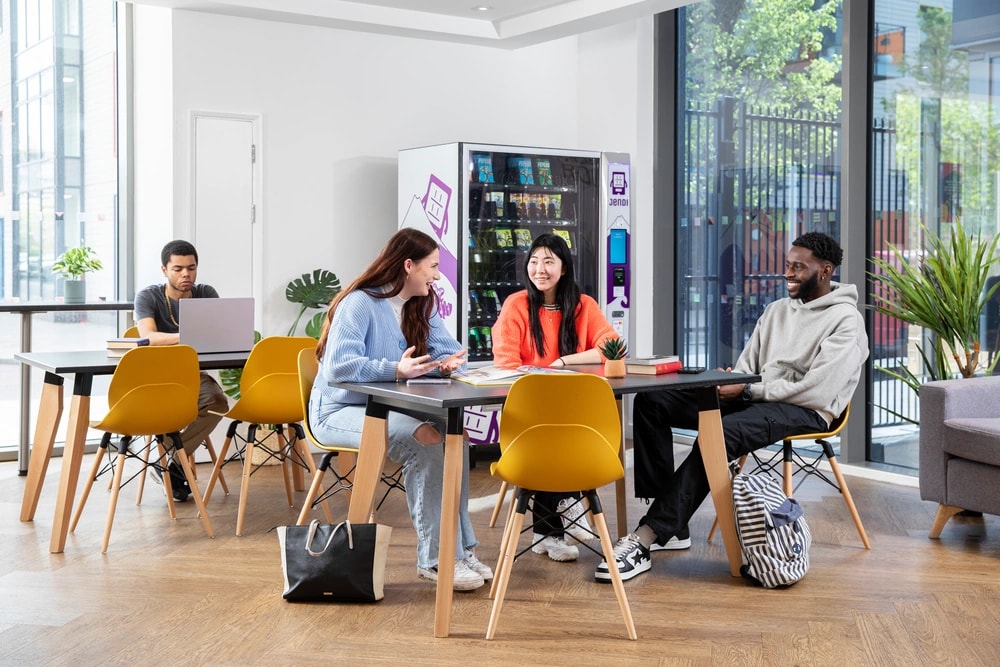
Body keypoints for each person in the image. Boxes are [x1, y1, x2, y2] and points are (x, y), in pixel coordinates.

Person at [596, 232, 869, 582]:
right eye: (787, 265)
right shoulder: (776, 311)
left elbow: (817, 390)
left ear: (826, 270)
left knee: (721, 434)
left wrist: (748, 391)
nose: (788, 273)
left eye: (799, 268)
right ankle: (670, 522)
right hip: (757, 396)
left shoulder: (846, 321)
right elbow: (748, 368)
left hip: (804, 408)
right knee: (653, 401)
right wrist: (731, 382)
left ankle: (646, 538)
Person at [309, 227, 492, 591]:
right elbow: (338, 367)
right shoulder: (359, 303)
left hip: (387, 407)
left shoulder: (420, 304)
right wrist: (394, 369)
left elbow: (448, 351)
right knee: (425, 439)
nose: (438, 275)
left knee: (456, 436)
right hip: (339, 411)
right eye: (433, 266)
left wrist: (448, 364)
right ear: (408, 265)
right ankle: (437, 560)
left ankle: (460, 548)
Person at [491, 232, 621, 562]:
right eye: (534, 261)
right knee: (550, 427)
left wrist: (564, 362)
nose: (540, 269)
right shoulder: (516, 305)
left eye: (549, 261)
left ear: (564, 268)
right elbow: (506, 363)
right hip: (528, 410)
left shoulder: (583, 306)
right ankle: (563, 506)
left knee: (564, 423)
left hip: (571, 409)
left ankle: (548, 530)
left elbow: (614, 348)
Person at [134, 239, 230, 502]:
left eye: (191, 267)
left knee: (218, 403)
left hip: (194, 373)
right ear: (164, 270)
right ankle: (175, 473)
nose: (186, 274)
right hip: (159, 376)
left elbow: (219, 333)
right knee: (166, 413)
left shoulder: (205, 293)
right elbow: (148, 337)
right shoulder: (149, 296)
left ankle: (169, 463)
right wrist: (192, 335)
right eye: (178, 269)